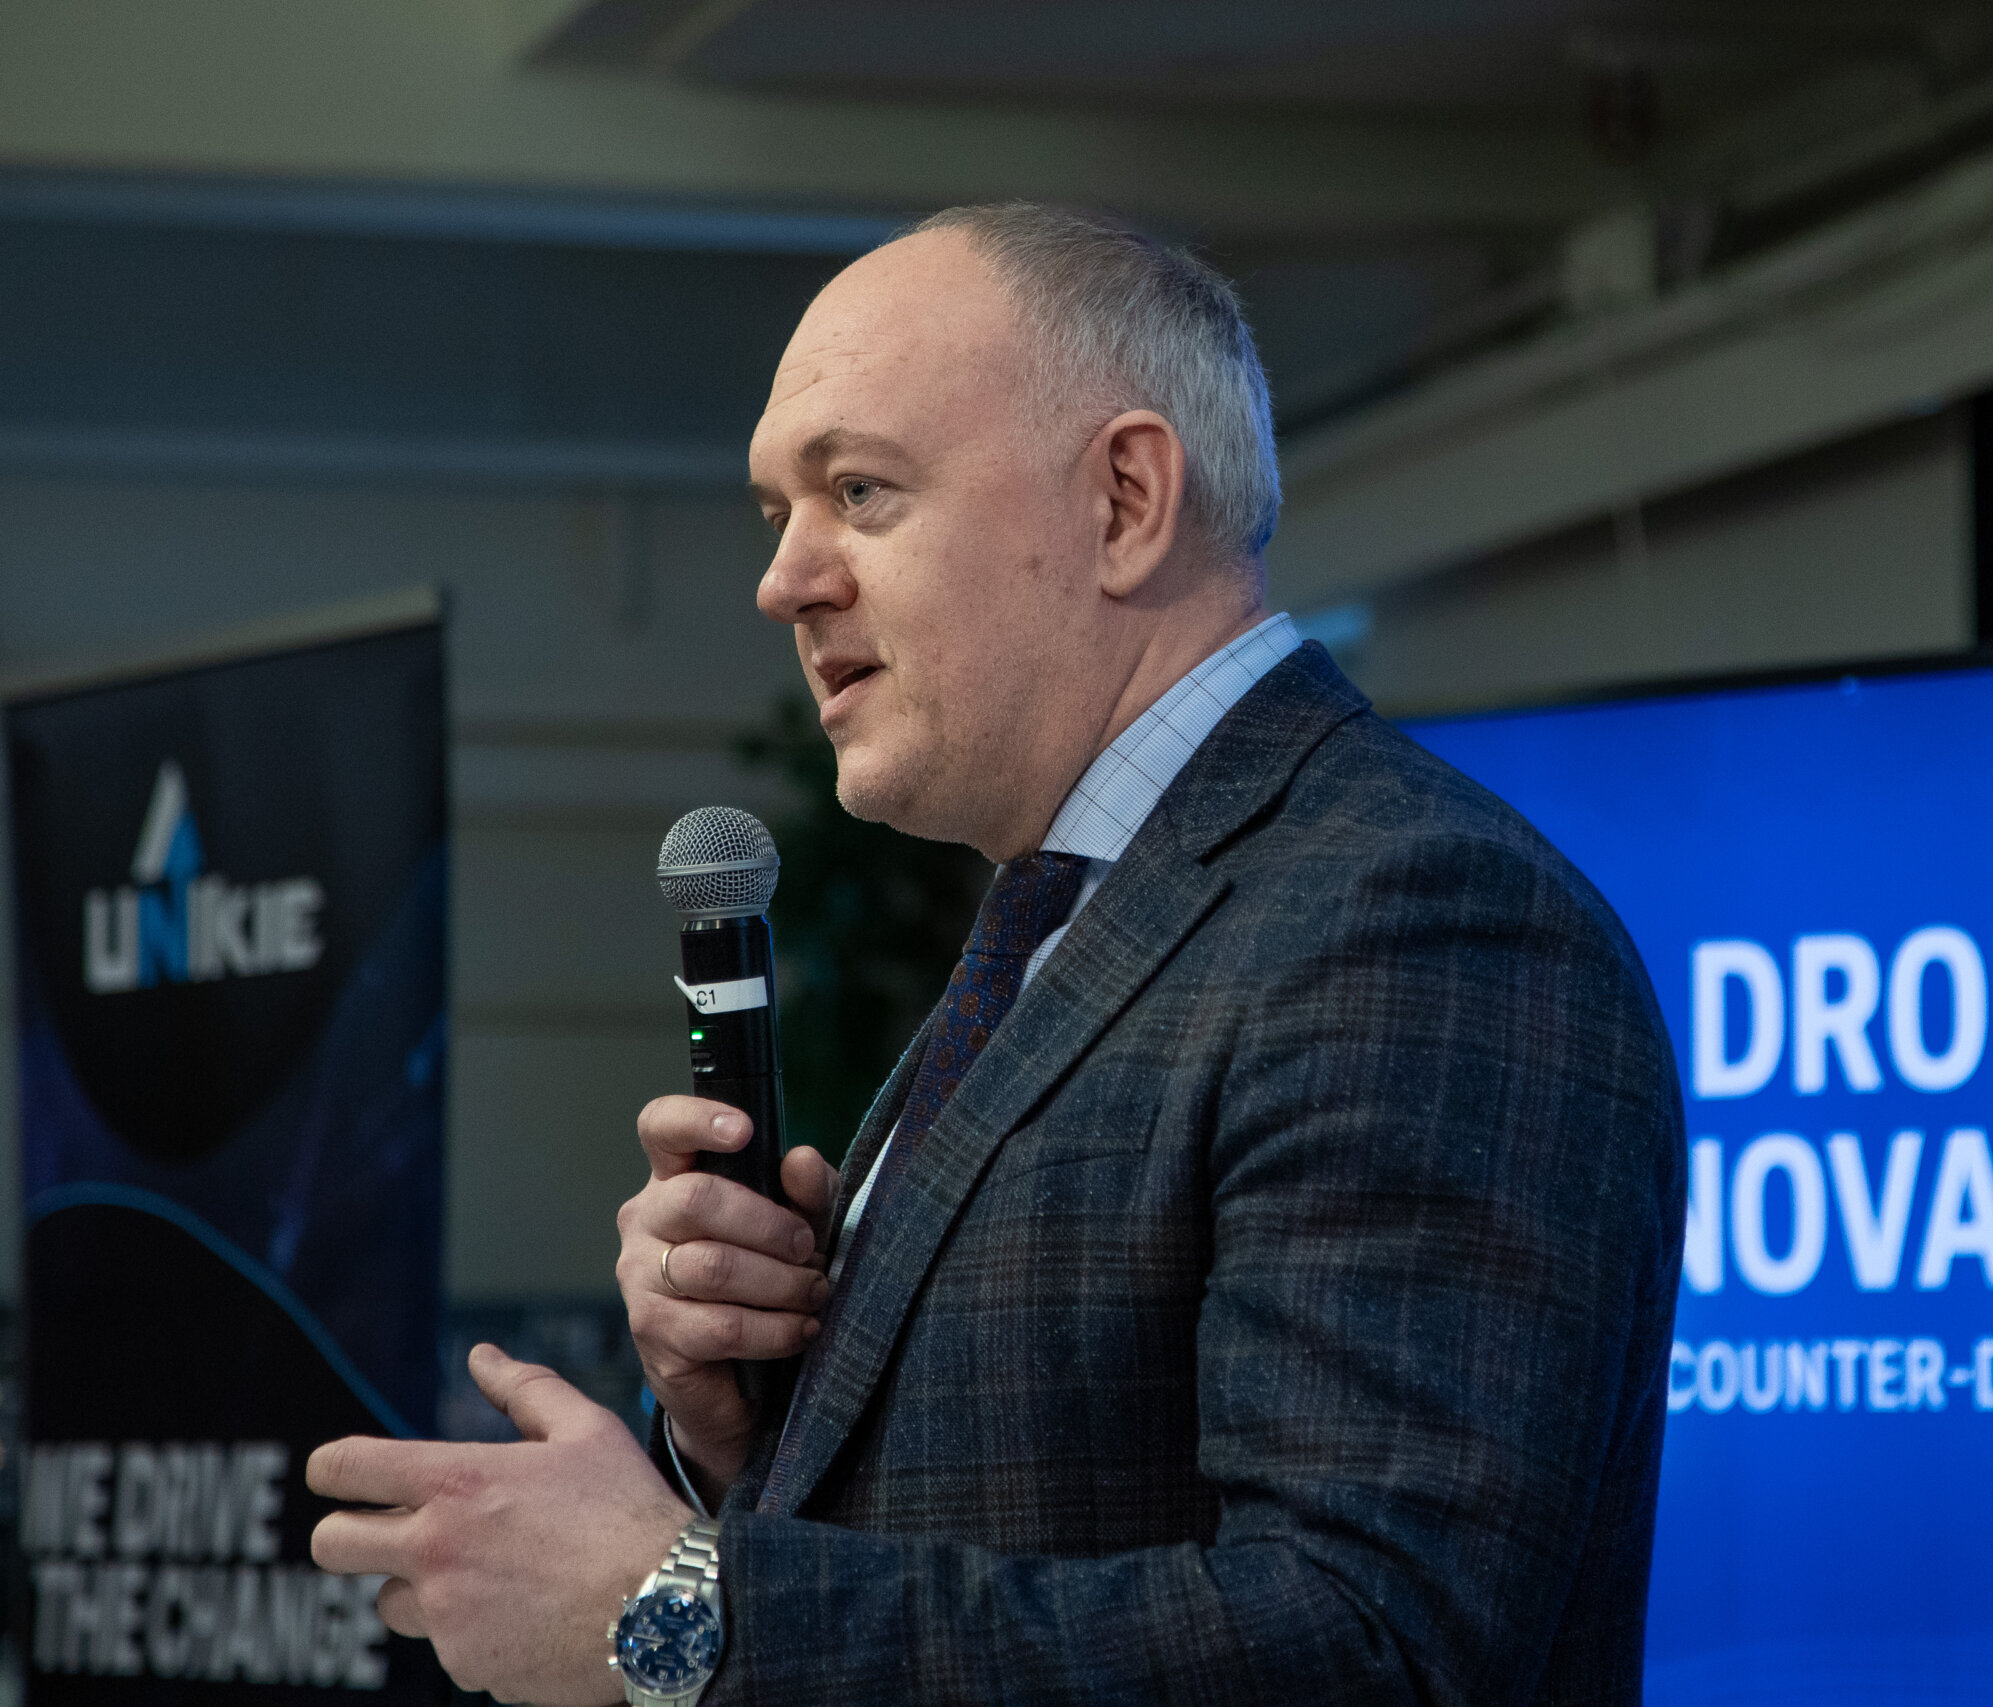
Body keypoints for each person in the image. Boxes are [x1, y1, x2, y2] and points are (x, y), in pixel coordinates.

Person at [309, 203, 1684, 1706]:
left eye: (860, 490)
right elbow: (994, 1509)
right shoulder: (1068, 914)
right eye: (778, 514)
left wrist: (678, 1607)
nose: (784, 580)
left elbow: (1376, 1650)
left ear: (1124, 500)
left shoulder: (1412, 918)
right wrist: (743, 1430)